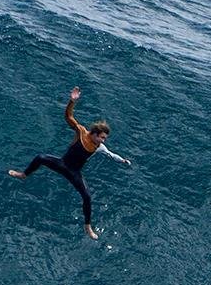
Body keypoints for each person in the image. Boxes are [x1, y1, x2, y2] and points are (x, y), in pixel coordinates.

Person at [8, 86, 130, 239]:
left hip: (74, 172)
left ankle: (88, 227)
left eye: (104, 138)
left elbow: (111, 154)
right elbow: (68, 117)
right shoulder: (81, 131)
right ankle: (23, 175)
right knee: (40, 157)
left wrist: (122, 160)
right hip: (62, 164)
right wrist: (72, 101)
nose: (103, 141)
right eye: (102, 137)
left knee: (87, 197)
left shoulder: (100, 147)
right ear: (94, 133)